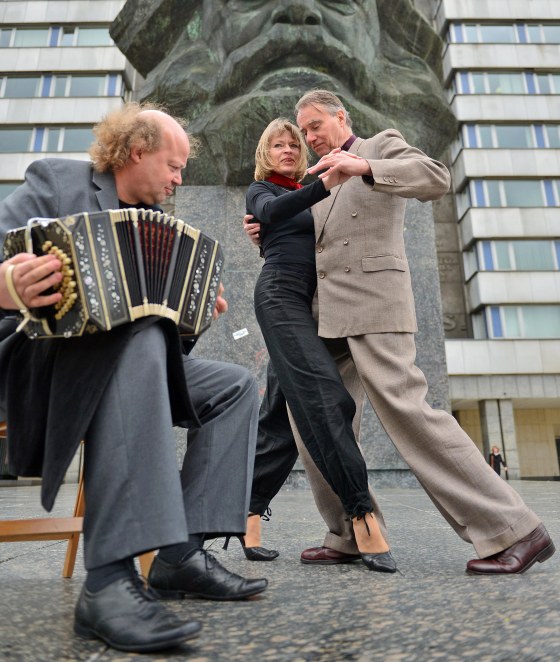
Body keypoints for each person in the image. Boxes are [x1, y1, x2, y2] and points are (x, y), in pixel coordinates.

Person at [244, 89, 555, 576]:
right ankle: (348, 533)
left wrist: (364, 168)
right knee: (312, 422)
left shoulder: (379, 145)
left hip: (374, 303)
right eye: (303, 131)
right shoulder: (316, 176)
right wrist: (266, 235)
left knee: (408, 413)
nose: (309, 137)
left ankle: (515, 529)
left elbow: (436, 177)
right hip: (325, 316)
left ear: (340, 116)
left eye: (314, 125)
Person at [0, 102, 267, 654]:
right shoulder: (57, 180)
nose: (177, 179)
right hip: (39, 361)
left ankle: (180, 555)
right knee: (135, 339)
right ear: (137, 150)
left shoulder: (162, 231)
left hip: (127, 367)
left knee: (234, 386)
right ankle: (108, 581)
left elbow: (163, 348)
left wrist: (190, 317)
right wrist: (10, 284)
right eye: (174, 166)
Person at [111, 0, 456, 185]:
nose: (298, 7)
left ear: (379, 23)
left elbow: (432, 178)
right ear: (199, 18)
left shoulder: (393, 145)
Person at [242, 118, 396, 573]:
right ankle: (361, 514)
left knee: (278, 419)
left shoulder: (307, 194)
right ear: (265, 152)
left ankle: (245, 515)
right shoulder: (261, 190)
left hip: (314, 307)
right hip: (279, 298)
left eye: (294, 144)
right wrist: (329, 180)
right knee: (327, 398)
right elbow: (270, 216)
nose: (288, 150)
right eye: (278, 144)